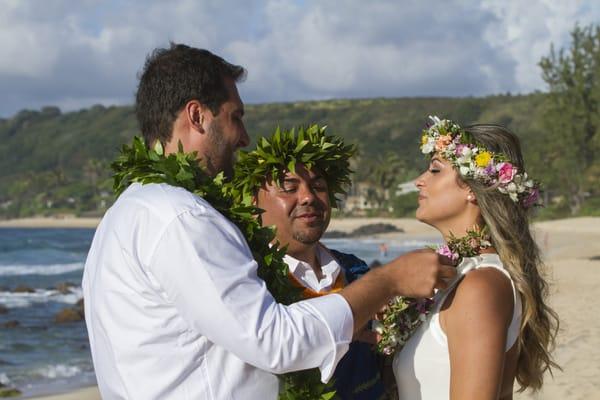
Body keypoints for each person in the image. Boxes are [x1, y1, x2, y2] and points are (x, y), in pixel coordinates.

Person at [82, 44, 455, 400]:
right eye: (235, 117)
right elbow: (276, 342)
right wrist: (388, 280)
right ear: (197, 116)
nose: (243, 139)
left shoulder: (124, 214)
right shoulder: (183, 217)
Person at [393, 117, 559, 399]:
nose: (419, 181)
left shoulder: (481, 286)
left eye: (435, 169)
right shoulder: (461, 276)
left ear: (472, 188)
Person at [237, 126, 386, 399]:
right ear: (252, 203)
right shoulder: (248, 283)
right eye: (289, 187)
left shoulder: (357, 271)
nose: (308, 197)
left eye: (318, 186)